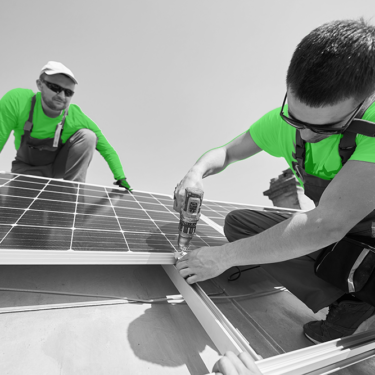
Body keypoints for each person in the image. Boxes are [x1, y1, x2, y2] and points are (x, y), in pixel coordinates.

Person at [174, 18, 375, 344]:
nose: (307, 135)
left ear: (363, 104)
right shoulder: (284, 124)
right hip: (345, 240)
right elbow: (226, 152)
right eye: (295, 119)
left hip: (363, 240)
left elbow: (327, 225)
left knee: (293, 238)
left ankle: (365, 311)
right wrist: (195, 173)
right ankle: (349, 305)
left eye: (325, 129)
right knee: (241, 225)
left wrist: (222, 258)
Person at [0, 61, 131, 190]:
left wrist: (120, 177)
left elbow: (106, 148)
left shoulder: (75, 116)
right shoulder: (18, 101)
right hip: (24, 169)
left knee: (88, 136)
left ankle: (72, 197)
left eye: (68, 92)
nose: (62, 96)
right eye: (55, 88)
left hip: (54, 168)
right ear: (39, 84)